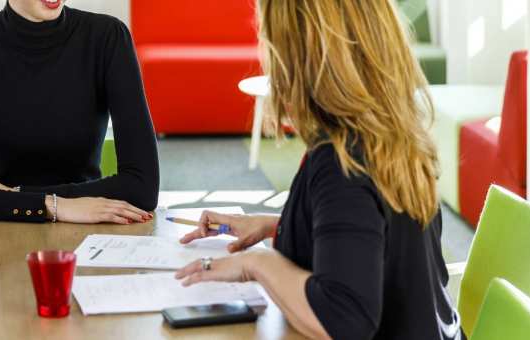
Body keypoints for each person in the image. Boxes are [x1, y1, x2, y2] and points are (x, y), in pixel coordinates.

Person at [176, 1, 465, 339]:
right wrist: (278, 227)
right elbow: (382, 238)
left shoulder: (341, 161)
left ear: (297, 59)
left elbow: (344, 319)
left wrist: (256, 264)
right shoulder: (393, 135)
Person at [0, 0, 159, 224]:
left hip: (89, 230)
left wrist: (15, 194)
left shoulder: (108, 36)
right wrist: (51, 205)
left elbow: (142, 187)